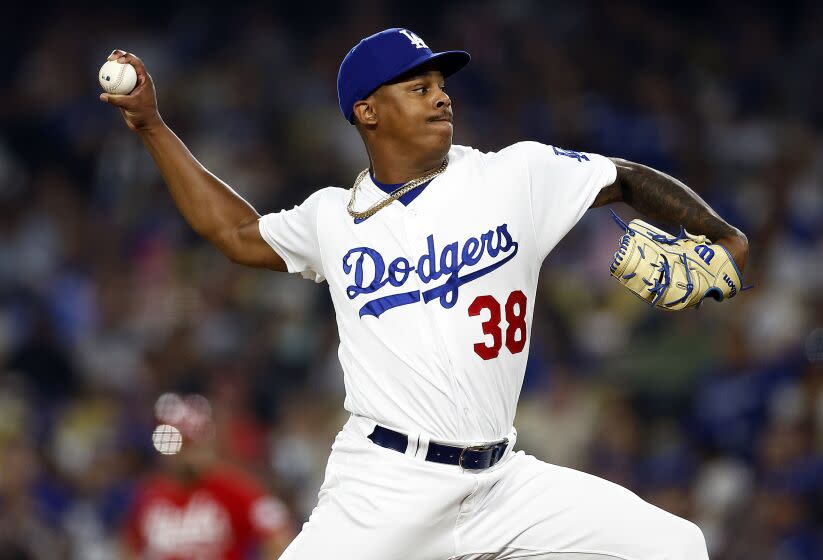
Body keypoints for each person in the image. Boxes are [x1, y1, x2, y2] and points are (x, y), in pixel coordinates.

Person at [101, 27, 748, 560]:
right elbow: (234, 231)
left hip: (500, 480)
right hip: (386, 485)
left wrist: (723, 239)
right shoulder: (331, 216)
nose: (440, 97)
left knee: (674, 546)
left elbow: (624, 177)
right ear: (368, 110)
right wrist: (153, 126)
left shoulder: (513, 174)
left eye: (440, 85)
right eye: (419, 87)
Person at [120, 395, 294, 559]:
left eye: (190, 443)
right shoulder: (150, 494)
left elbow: (278, 533)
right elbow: (130, 547)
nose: (184, 453)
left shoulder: (233, 488)